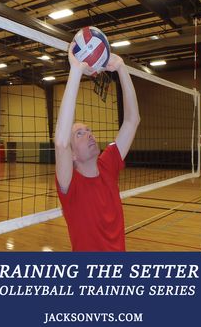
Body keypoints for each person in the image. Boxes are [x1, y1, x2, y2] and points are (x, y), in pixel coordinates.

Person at [55, 42, 140, 251]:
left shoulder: (108, 165)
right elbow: (61, 142)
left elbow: (132, 120)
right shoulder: (70, 184)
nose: (89, 135)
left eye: (88, 130)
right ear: (72, 154)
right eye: (80, 134)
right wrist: (76, 71)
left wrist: (121, 68)